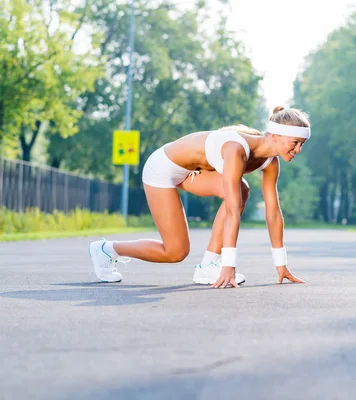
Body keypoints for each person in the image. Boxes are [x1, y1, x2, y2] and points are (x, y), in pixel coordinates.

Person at [88, 106, 310, 288]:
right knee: (175, 252)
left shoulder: (271, 162)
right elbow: (232, 210)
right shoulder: (236, 149)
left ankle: (207, 267)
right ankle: (106, 250)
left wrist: (281, 266)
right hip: (162, 169)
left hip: (193, 172)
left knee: (242, 190)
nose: (298, 149)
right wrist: (229, 265)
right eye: (295, 143)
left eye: (301, 144)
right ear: (275, 135)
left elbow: (273, 212)